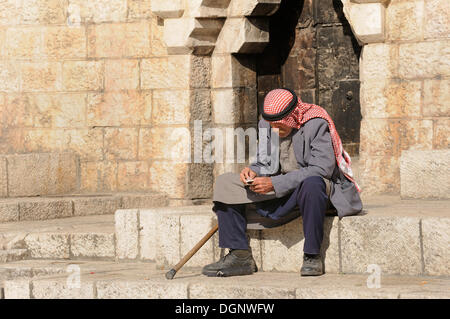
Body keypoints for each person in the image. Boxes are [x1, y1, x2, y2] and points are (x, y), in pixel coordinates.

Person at [202, 88, 363, 277]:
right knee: (225, 183)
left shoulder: (316, 123)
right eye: (271, 125)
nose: (275, 130)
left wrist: (275, 184)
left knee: (313, 183)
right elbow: (264, 161)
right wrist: (253, 170)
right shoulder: (268, 124)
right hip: (280, 187)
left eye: (279, 125)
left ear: (292, 117)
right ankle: (239, 255)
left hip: (312, 190)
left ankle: (312, 256)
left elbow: (321, 170)